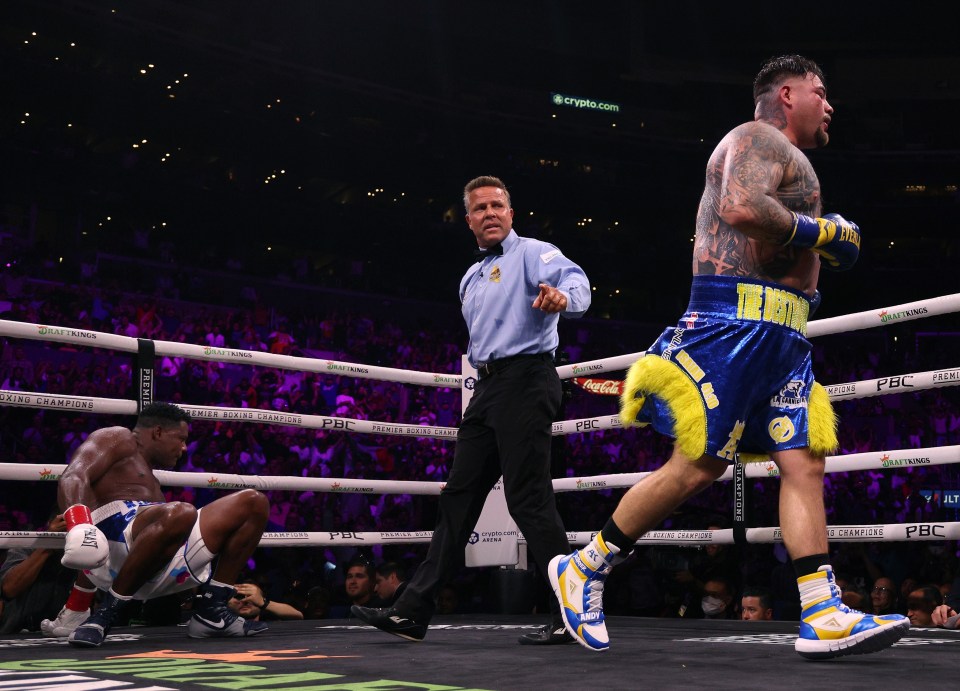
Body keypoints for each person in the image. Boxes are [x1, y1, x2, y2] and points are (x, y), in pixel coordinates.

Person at [548, 55, 909, 658]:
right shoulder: (757, 136)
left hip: (785, 334)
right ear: (787, 94)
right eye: (821, 93)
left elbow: (777, 235)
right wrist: (823, 234)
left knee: (804, 463)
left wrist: (832, 245)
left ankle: (821, 611)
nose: (830, 105)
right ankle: (584, 566)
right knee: (697, 467)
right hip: (733, 323)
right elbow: (739, 208)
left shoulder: (788, 157)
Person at [352, 175, 591, 645]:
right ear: (468, 221)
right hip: (487, 389)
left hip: (526, 380)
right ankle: (412, 610)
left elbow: (575, 281)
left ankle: (572, 614)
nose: (490, 213)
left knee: (528, 500)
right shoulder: (470, 276)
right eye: (480, 208)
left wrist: (565, 299)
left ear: (511, 212)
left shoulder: (534, 252)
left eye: (497, 205)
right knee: (458, 498)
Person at [54, 401, 270, 647]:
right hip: (112, 543)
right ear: (157, 432)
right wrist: (81, 526)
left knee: (254, 501)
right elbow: (73, 475)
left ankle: (212, 610)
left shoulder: (150, 480)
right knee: (182, 511)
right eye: (180, 438)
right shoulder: (119, 437)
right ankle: (107, 613)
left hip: (153, 561)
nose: (184, 448)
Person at [0, 513, 80, 634]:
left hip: (67, 632)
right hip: (18, 630)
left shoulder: (89, 548)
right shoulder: (28, 543)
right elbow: (9, 588)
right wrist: (48, 544)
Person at [228, 581, 303, 621]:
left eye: (251, 596)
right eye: (239, 596)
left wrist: (263, 603)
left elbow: (298, 616)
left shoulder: (269, 620)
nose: (245, 600)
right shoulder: (219, 623)